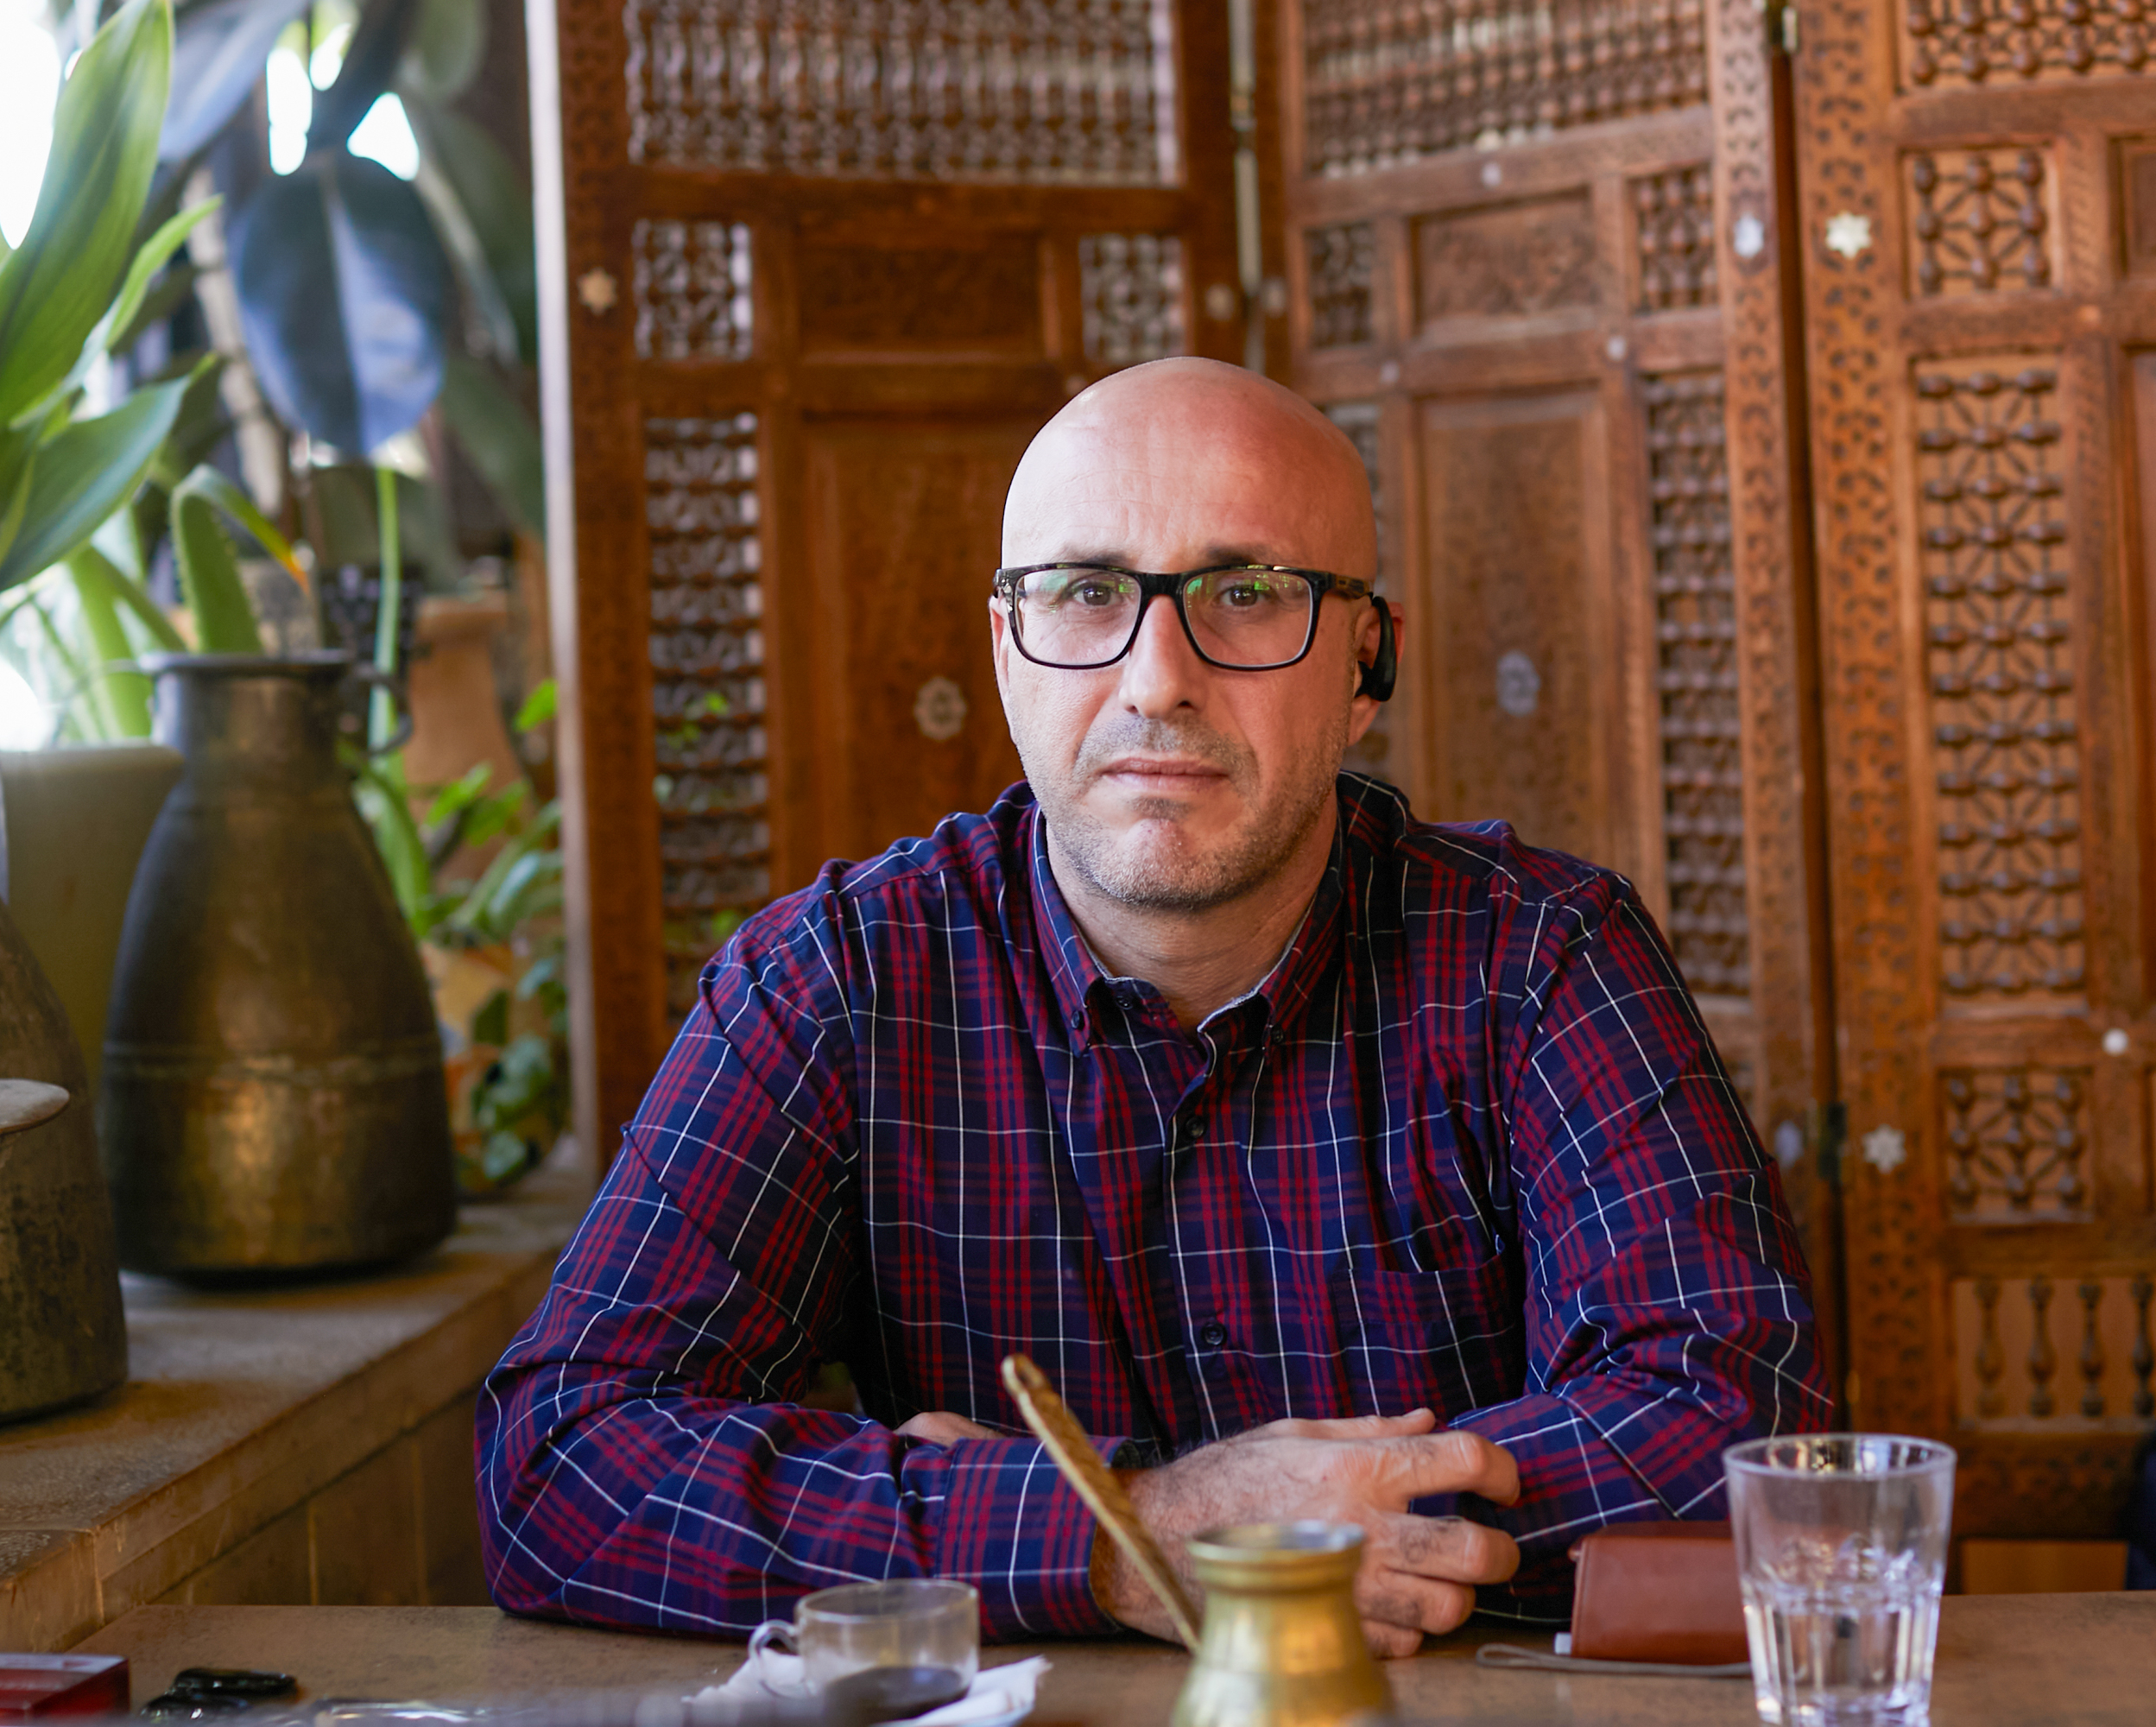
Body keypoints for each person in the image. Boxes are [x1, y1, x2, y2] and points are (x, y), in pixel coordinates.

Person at [477, 357, 1828, 1654]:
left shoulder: (1539, 958)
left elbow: (1741, 1424)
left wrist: (1208, 1532)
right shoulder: (836, 985)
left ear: (1367, 662)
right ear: (1007, 651)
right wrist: (1123, 1533)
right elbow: (563, 1466)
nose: (1156, 677)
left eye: (1246, 592)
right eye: (1082, 593)